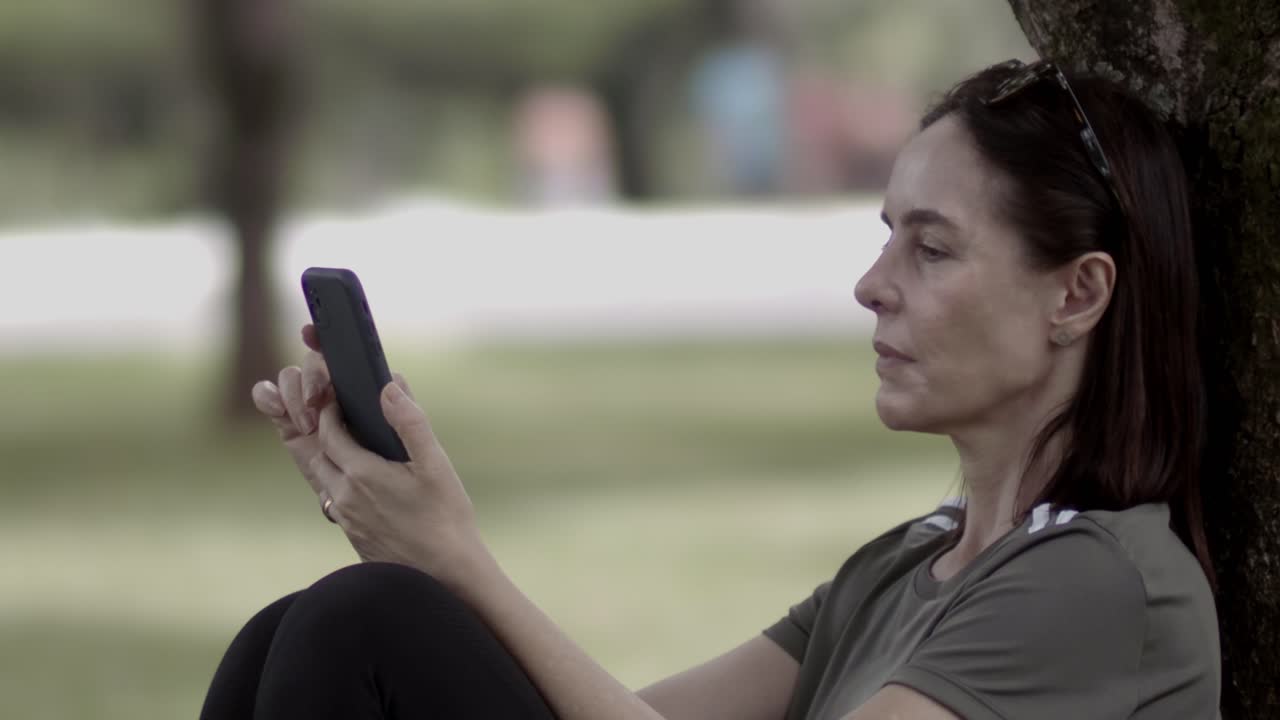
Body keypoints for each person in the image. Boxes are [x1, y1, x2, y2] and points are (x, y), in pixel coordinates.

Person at [200, 58, 1222, 720]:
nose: (872, 287)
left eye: (932, 249)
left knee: (367, 622)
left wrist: (448, 559)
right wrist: (405, 524)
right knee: (291, 636)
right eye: (884, 239)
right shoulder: (902, 568)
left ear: (1076, 295)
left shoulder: (1102, 581)